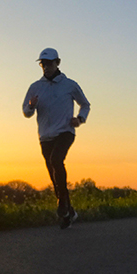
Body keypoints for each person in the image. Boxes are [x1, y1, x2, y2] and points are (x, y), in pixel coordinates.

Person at [22, 48, 90, 229]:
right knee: (53, 176)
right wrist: (31, 105)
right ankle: (69, 213)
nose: (46, 67)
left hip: (65, 131)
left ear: (57, 63)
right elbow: (26, 112)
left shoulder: (69, 84)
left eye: (50, 63)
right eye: (43, 64)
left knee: (56, 160)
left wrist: (80, 118)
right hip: (45, 135)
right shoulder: (35, 87)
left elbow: (85, 104)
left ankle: (62, 204)